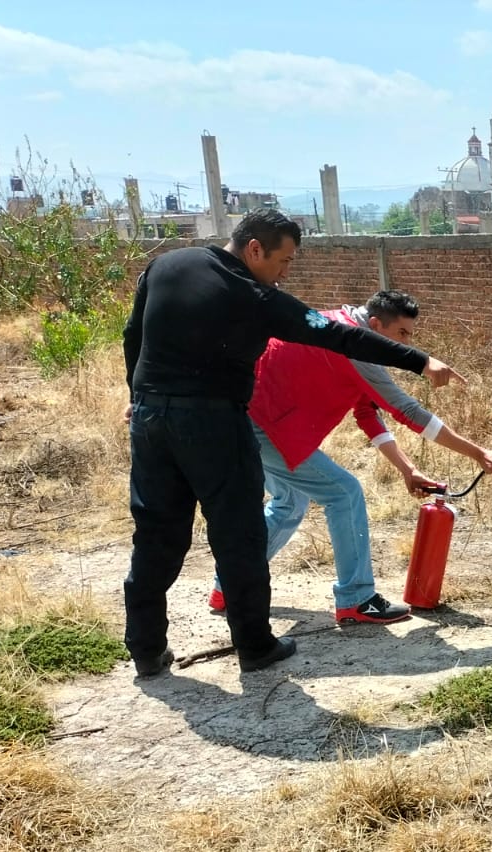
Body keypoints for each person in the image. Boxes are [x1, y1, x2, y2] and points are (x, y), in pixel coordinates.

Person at [121, 209, 460, 678]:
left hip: (151, 421)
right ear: (254, 248)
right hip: (215, 426)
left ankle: (145, 648)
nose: (286, 273)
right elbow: (341, 337)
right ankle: (256, 646)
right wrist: (420, 362)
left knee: (157, 535)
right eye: (284, 261)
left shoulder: (167, 265)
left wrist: (136, 396)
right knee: (238, 535)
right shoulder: (254, 297)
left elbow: (133, 334)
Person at [208, 289, 492, 625]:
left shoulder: (347, 328)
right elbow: (407, 410)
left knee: (289, 502)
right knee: (344, 492)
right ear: (377, 324)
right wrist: (479, 453)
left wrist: (407, 470)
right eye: (401, 334)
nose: (405, 345)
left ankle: (229, 586)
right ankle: (356, 599)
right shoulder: (356, 348)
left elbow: (366, 411)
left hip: (250, 415)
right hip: (263, 423)